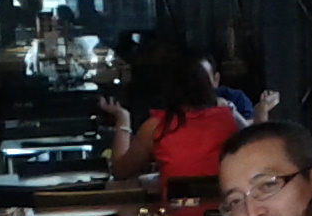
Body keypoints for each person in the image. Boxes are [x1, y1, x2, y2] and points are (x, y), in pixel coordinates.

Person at [103, 43, 241, 189]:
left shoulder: (156, 127)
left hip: (176, 203)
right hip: (222, 203)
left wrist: (122, 117)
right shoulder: (228, 120)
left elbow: (120, 170)